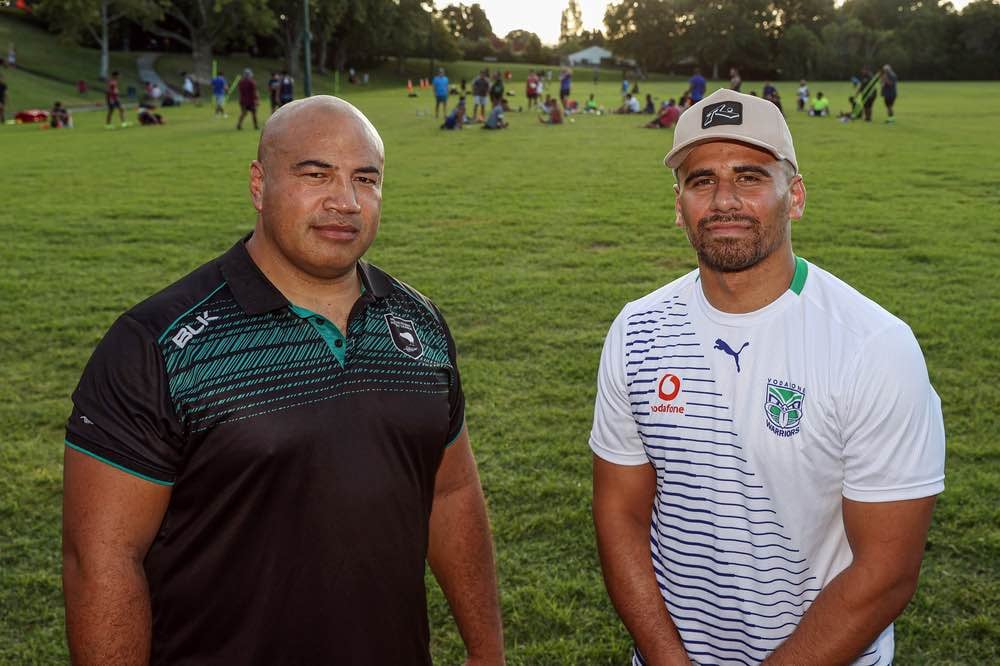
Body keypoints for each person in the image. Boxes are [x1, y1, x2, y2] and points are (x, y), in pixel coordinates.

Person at [62, 95, 505, 665]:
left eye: (364, 179)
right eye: (315, 174)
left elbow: (451, 492)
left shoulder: (418, 322)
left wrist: (487, 652)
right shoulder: (155, 344)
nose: (344, 202)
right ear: (258, 184)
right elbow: (102, 558)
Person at [590, 88, 944, 665]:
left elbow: (886, 571)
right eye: (701, 180)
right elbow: (619, 510)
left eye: (750, 177)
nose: (724, 199)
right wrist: (664, 654)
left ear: (795, 196)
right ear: (678, 203)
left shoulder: (872, 346)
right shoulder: (637, 330)